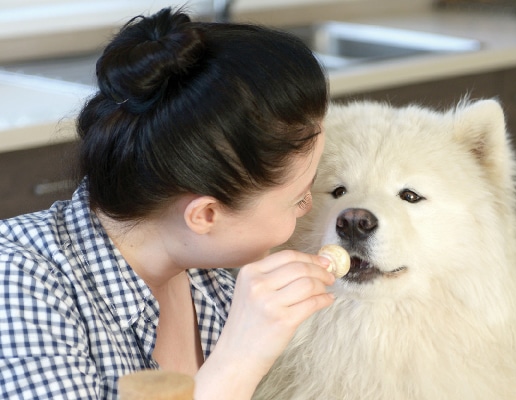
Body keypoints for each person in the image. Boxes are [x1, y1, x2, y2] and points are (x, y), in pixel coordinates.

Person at [0, 7, 334, 399]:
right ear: (205, 214)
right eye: (297, 198)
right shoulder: (19, 282)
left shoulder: (211, 276)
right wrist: (242, 354)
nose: (307, 207)